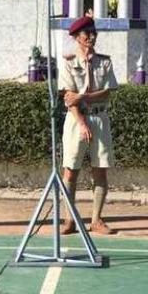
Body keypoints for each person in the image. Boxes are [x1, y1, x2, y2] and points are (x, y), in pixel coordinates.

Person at [59, 15, 119, 235]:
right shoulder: (69, 63)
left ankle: (96, 220)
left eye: (94, 33)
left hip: (100, 118)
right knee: (70, 170)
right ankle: (69, 219)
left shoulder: (104, 62)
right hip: (76, 121)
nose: (92, 37)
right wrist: (82, 123)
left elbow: (107, 92)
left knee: (100, 170)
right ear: (77, 37)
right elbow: (69, 99)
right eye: (87, 33)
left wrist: (82, 96)